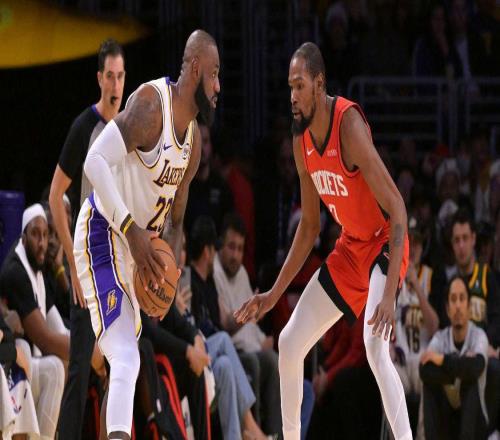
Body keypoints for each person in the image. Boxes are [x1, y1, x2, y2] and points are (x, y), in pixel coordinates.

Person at [235, 42, 412, 440]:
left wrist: (389, 296)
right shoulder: (300, 141)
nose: (293, 96)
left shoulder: (347, 126)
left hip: (385, 241)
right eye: (289, 87)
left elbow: (398, 209)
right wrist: (273, 294)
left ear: (319, 83)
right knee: (289, 342)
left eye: (299, 86)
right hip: (351, 248)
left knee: (374, 346)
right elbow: (310, 226)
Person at [73, 29, 220, 439]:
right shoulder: (151, 106)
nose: (218, 86)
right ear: (195, 69)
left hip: (136, 253)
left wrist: (165, 274)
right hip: (104, 232)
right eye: (214, 75)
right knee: (125, 355)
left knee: (128, 361)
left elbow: (176, 219)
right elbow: (94, 161)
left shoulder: (192, 143)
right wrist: (131, 230)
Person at [48, 39, 125, 440]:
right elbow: (55, 195)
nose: (115, 85)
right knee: (80, 372)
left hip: (118, 265)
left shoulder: (130, 127)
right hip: (87, 264)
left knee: (125, 366)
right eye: (109, 76)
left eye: (121, 76)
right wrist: (72, 264)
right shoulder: (84, 127)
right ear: (99, 79)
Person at [0, 204, 67, 440]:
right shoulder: (15, 271)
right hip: (14, 364)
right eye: (36, 234)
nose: (42, 243)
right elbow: (45, 340)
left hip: (21, 363)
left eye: (46, 235)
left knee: (60, 364)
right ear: (23, 237)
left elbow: (58, 327)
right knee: (40, 359)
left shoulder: (39, 269)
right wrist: (86, 351)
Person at [213, 213, 282, 436]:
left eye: (240, 249)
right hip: (232, 349)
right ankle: (255, 433)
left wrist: (262, 340)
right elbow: (225, 325)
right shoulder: (214, 271)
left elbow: (252, 326)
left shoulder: (241, 272)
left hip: (249, 346)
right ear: (220, 245)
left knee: (275, 360)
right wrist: (250, 318)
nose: (235, 255)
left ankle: (275, 435)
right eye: (231, 247)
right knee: (257, 361)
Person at [419, 276, 489, 439]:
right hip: (447, 423)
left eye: (462, 299)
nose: (458, 305)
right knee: (430, 384)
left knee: (470, 381)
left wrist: (442, 360)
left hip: (475, 425)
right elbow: (424, 370)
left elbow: (476, 366)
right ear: (447, 309)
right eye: (453, 299)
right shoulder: (440, 338)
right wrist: (462, 366)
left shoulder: (479, 336)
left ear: (469, 306)